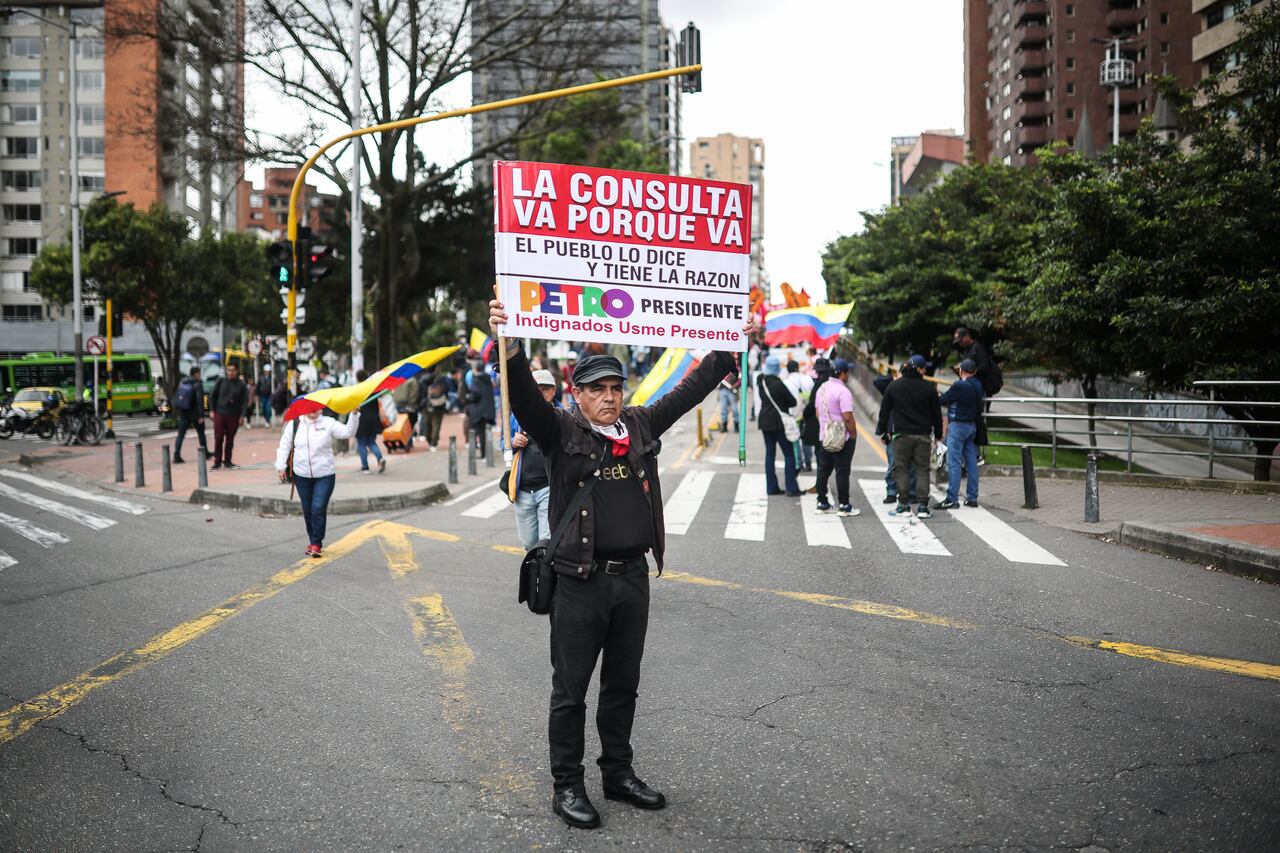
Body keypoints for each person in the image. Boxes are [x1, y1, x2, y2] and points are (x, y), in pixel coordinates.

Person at [490, 297, 758, 831]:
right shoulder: (560, 432)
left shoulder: (638, 425)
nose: (610, 398)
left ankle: (618, 772)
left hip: (632, 579)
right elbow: (523, 399)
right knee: (570, 690)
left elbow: (689, 391)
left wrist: (733, 342)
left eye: (615, 388)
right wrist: (511, 343)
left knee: (622, 684)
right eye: (597, 390)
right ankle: (567, 785)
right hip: (579, 583)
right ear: (578, 395)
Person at [274, 407, 360, 557]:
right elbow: (285, 445)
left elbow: (348, 432)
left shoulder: (328, 423)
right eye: (309, 407)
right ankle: (313, 539)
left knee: (318, 508)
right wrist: (280, 466)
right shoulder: (295, 424)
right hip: (301, 475)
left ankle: (316, 543)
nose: (313, 410)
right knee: (307, 510)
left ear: (321, 409)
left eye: (316, 407)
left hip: (325, 475)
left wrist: (353, 414)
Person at [876, 354, 942, 518]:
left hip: (901, 435)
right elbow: (937, 415)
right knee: (922, 471)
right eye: (924, 368)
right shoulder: (929, 388)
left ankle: (903, 505)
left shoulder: (894, 386)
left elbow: (884, 412)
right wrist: (938, 435)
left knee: (902, 470)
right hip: (923, 436)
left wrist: (883, 431)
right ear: (919, 369)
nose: (925, 370)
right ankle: (922, 507)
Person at [506, 369, 558, 549]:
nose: (541, 393)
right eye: (537, 388)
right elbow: (503, 443)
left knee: (546, 540)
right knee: (528, 543)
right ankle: (535, 573)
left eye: (546, 388)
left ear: (554, 391)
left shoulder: (561, 415)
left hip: (549, 487)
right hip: (523, 489)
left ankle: (545, 576)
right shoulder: (516, 415)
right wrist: (512, 442)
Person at [814, 359, 860, 517]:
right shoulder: (843, 391)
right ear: (842, 373)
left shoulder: (822, 388)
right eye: (847, 372)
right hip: (841, 438)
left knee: (823, 470)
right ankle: (844, 505)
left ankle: (822, 502)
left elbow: (817, 413)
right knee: (842, 471)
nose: (848, 375)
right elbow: (847, 417)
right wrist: (853, 434)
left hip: (824, 436)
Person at [937, 358, 985, 509]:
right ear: (975, 371)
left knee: (954, 462)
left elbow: (944, 399)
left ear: (962, 370)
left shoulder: (959, 385)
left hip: (958, 427)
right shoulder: (978, 385)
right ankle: (972, 497)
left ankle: (952, 498)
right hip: (972, 427)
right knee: (971, 462)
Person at [757, 355, 801, 497]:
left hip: (764, 422)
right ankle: (791, 488)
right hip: (779, 423)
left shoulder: (761, 381)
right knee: (788, 455)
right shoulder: (778, 384)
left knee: (770, 455)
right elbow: (792, 402)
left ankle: (771, 487)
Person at [874, 365, 917, 506]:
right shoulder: (892, 387)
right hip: (893, 431)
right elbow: (877, 381)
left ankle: (911, 492)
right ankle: (891, 492)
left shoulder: (914, 387)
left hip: (910, 430)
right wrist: (893, 378)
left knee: (910, 464)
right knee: (893, 463)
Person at [209, 363, 249, 469]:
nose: (231, 372)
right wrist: (212, 410)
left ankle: (227, 461)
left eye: (233, 370)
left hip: (234, 415)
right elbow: (212, 396)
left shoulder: (241, 385)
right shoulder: (221, 381)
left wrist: (242, 416)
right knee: (218, 437)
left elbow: (245, 402)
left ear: (236, 371)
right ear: (226, 371)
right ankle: (217, 462)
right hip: (220, 413)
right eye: (229, 370)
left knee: (230, 439)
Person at [800, 358, 832, 488]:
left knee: (820, 456)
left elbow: (812, 405)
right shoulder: (832, 383)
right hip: (832, 423)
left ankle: (820, 485)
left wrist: (804, 415)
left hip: (818, 424)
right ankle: (822, 483)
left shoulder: (819, 384)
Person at [784, 359, 815, 472]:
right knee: (806, 438)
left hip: (793, 414)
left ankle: (799, 463)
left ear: (787, 370)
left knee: (795, 438)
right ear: (797, 368)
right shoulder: (808, 379)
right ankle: (808, 462)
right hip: (807, 413)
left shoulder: (786, 382)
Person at [353, 370, 387, 474]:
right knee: (371, 442)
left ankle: (365, 467)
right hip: (374, 419)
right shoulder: (374, 388)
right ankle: (380, 458)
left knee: (361, 443)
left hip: (362, 420)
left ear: (357, 378)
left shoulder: (357, 390)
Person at [171, 367, 207, 464]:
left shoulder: (183, 382)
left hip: (184, 412)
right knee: (201, 432)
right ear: (195, 374)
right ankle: (205, 452)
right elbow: (199, 400)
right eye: (199, 373)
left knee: (181, 435)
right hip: (195, 413)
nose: (200, 375)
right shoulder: (197, 384)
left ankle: (176, 455)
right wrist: (201, 415)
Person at [465, 359, 496, 458]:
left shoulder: (476, 380)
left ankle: (483, 454)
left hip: (479, 410)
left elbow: (476, 395)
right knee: (485, 433)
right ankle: (486, 453)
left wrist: (467, 397)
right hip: (487, 409)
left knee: (480, 433)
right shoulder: (487, 379)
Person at [420, 375, 448, 450]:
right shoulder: (441, 379)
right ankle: (433, 443)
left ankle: (429, 440)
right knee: (436, 424)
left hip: (426, 405)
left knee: (427, 424)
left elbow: (419, 394)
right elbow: (446, 391)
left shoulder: (422, 380)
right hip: (439, 405)